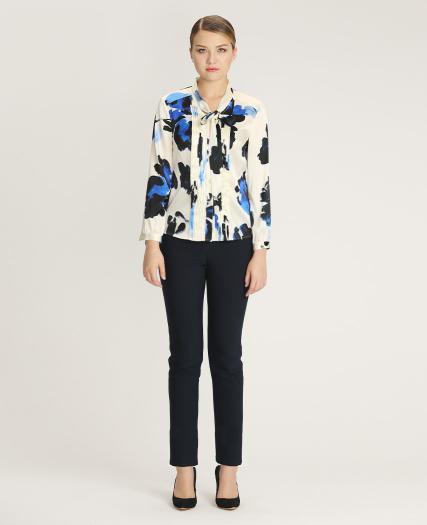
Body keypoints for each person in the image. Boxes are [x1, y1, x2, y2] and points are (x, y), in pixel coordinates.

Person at [138, 15, 271, 510]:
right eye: (201, 49)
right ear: (190, 53)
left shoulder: (252, 110)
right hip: (180, 244)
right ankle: (184, 469)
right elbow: (159, 173)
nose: (211, 59)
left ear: (234, 52)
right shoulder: (170, 106)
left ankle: (229, 470)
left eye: (220, 49)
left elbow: (260, 181)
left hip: (235, 245)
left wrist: (261, 250)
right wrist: (152, 241)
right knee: (184, 358)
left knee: (228, 358)